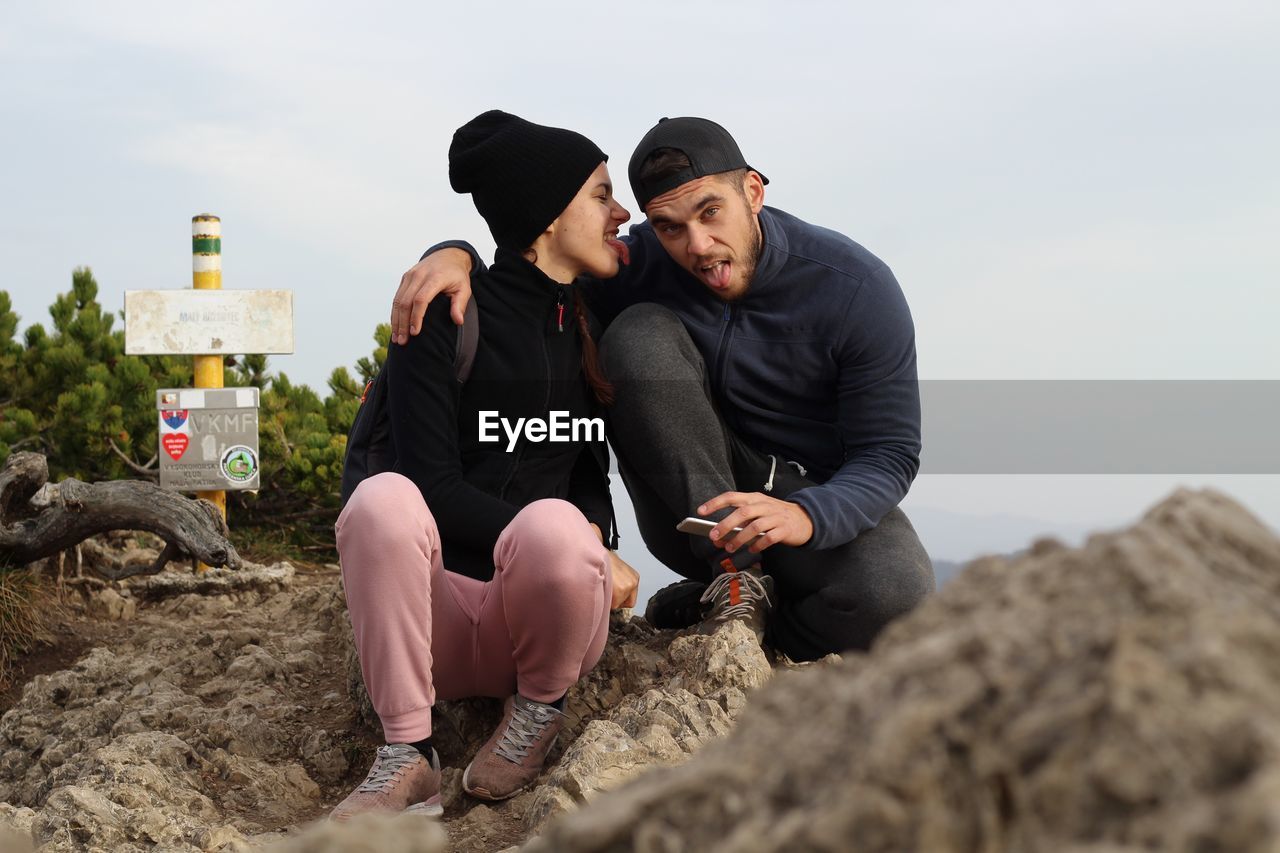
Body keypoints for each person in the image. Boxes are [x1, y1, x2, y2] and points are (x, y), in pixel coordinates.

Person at [389, 116, 934, 664]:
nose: (698, 245)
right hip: (694, 504)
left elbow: (889, 454)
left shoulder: (857, 288)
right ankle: (734, 583)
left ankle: (730, 619)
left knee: (897, 598)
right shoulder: (636, 263)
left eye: (710, 212)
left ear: (752, 190)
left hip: (805, 504)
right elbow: (531, 272)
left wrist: (808, 514)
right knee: (640, 333)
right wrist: (451, 252)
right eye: (669, 226)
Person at [332, 110, 639, 821]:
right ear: (546, 216)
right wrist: (454, 253)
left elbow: (587, 482)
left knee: (561, 526)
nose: (619, 211)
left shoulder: (587, 320)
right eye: (600, 193)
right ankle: (409, 753)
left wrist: (593, 542)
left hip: (538, 622)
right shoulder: (445, 311)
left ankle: (537, 711)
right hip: (433, 621)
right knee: (383, 499)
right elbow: (429, 487)